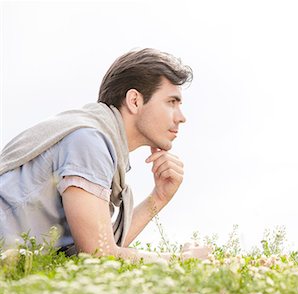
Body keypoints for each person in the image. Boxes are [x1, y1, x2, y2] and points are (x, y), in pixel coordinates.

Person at [0, 48, 209, 262]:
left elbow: (96, 245)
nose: (181, 117)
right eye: (171, 102)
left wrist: (159, 197)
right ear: (134, 100)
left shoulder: (98, 141)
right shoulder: (89, 142)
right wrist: (182, 261)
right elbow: (98, 255)